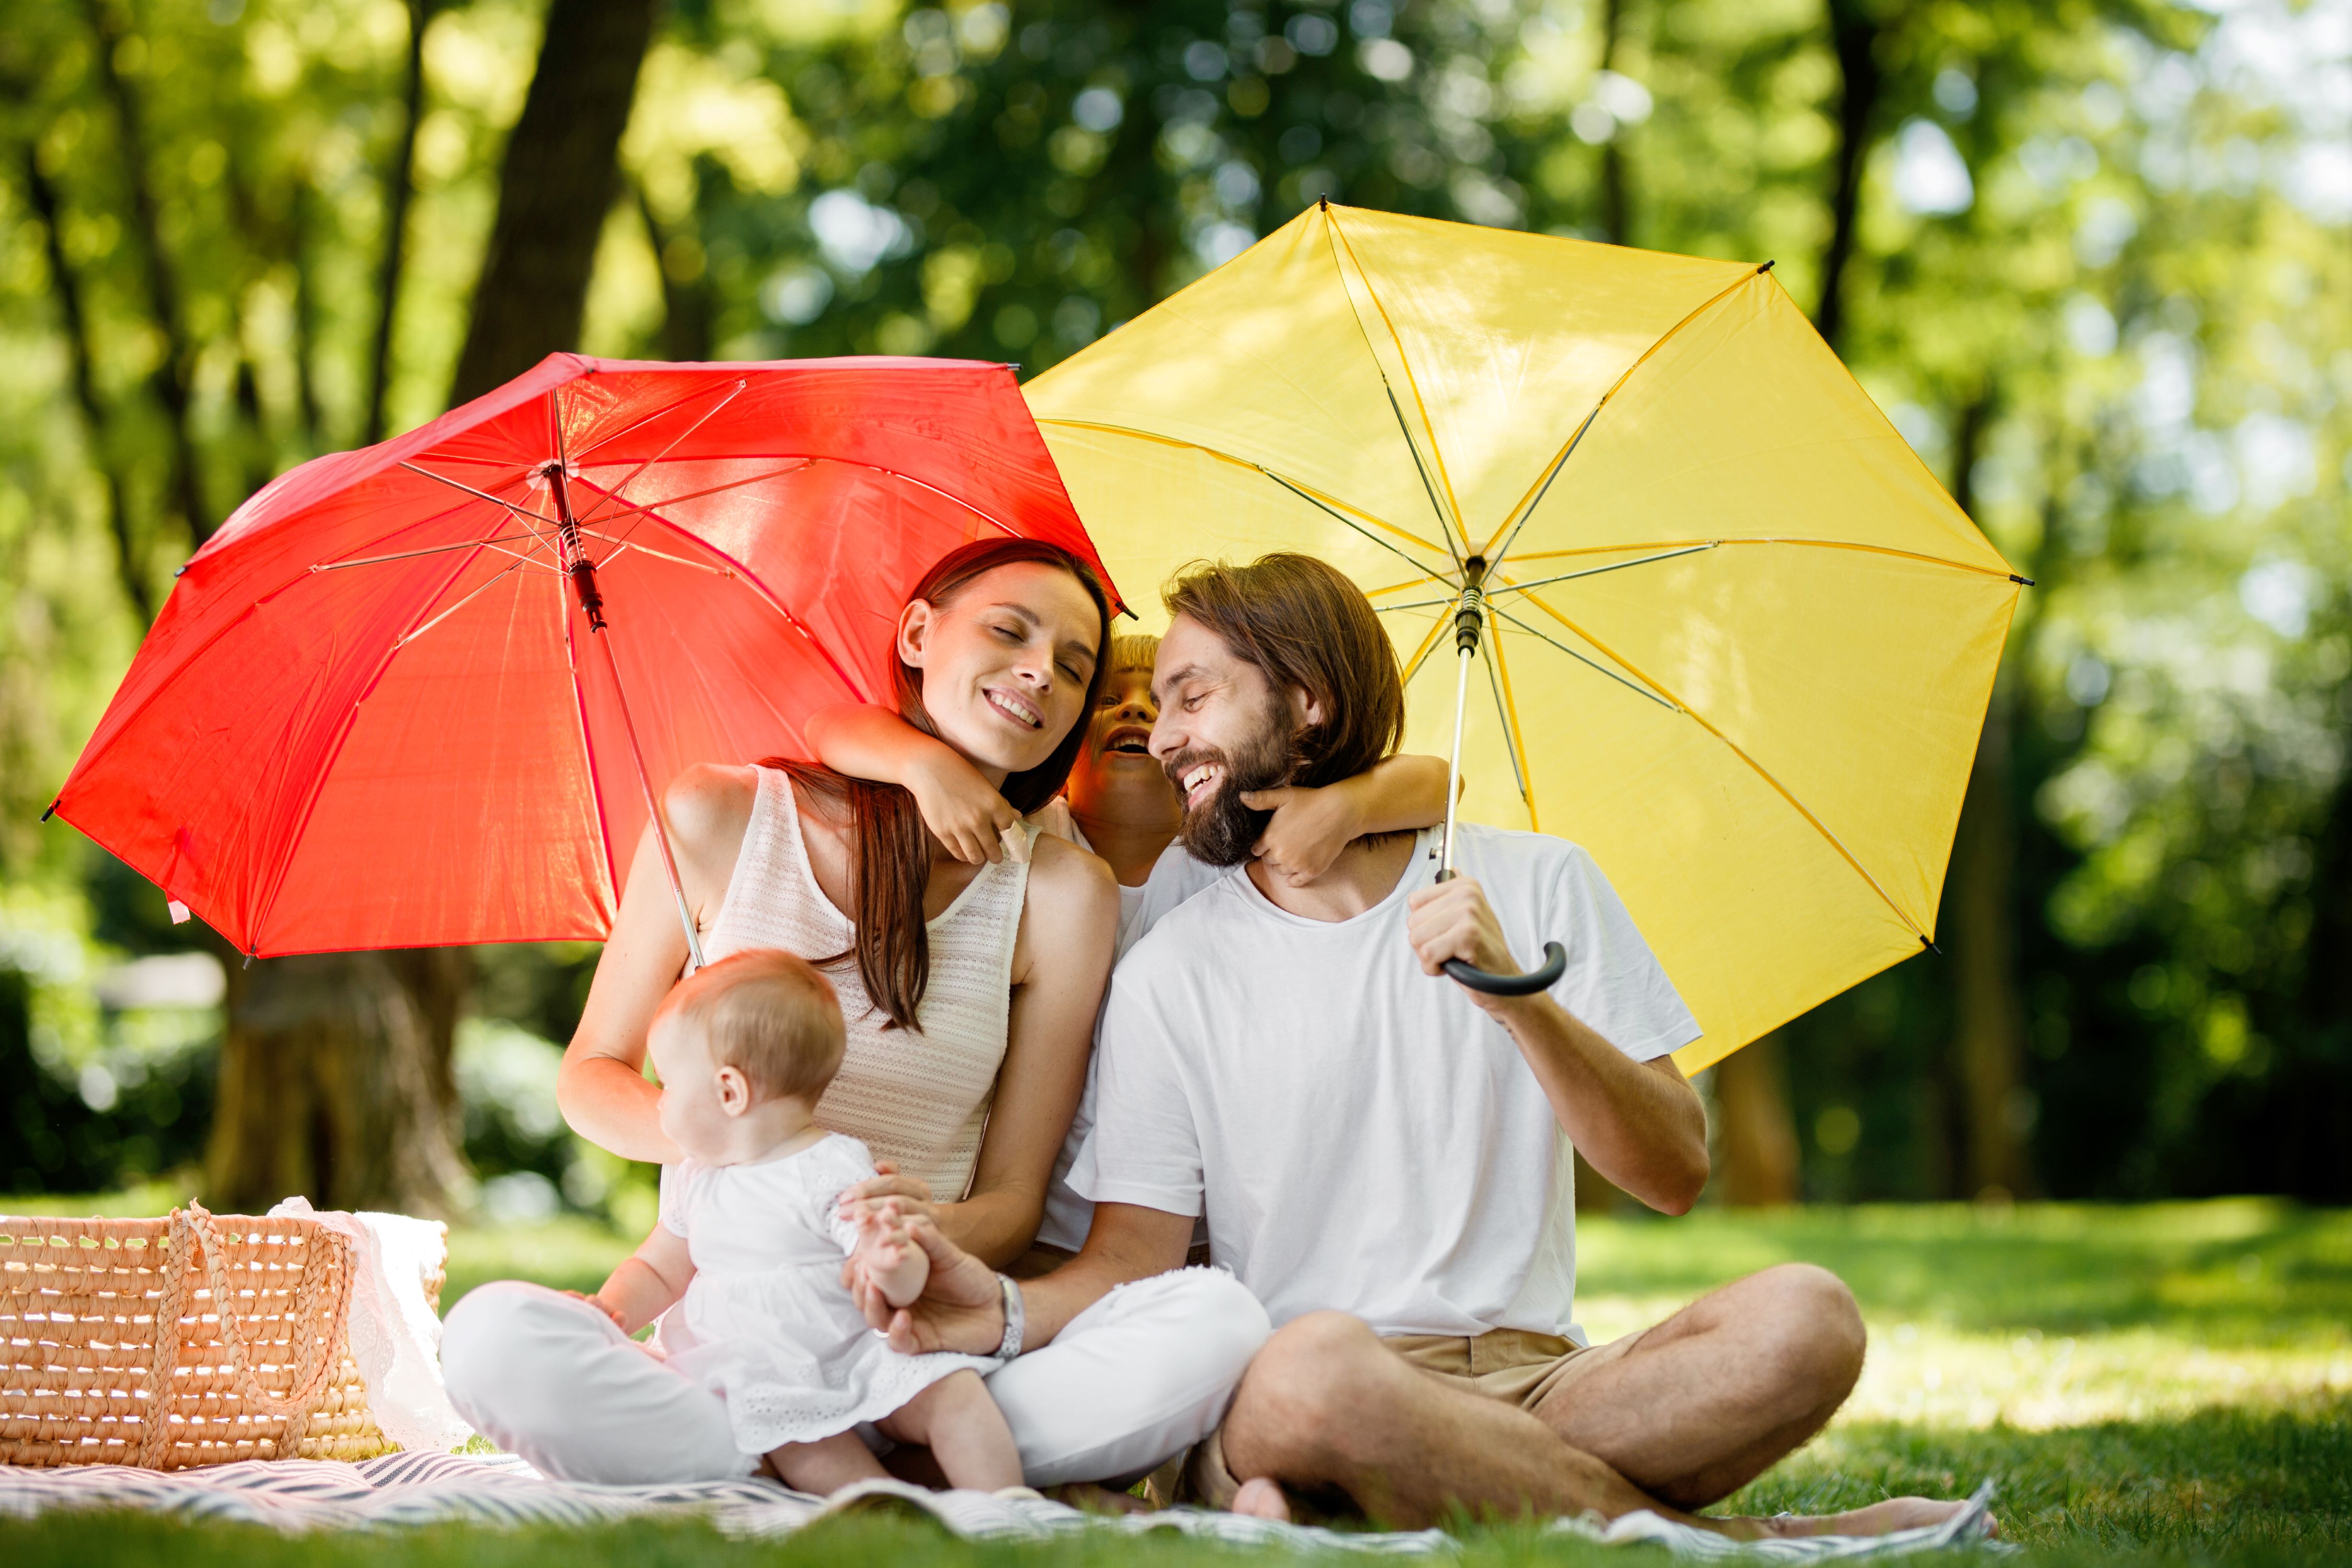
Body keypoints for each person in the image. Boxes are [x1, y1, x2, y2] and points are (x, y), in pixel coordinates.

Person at [849, 554, 1982, 1538]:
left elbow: (1676, 1169)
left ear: (1306, 703)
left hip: (1545, 1381)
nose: (1166, 731)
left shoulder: (1543, 881)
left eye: (1193, 695)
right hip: (1300, 1393)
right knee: (1313, 1372)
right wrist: (991, 1310)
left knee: (1807, 1319)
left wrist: (1521, 1003)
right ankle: (1743, 1542)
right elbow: (1132, 1261)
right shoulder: (1171, 958)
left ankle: (1431, 1492)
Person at [441, 538, 1267, 1489]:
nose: (1043, 671)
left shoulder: (1059, 894)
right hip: (734, 1371)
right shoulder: (720, 816)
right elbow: (591, 1078)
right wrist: (733, 1156)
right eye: (1010, 631)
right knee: (492, 1336)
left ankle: (875, 1468)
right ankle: (777, 1463)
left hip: (915, 1348)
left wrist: (902, 1242)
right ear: (919, 632)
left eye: (1076, 669)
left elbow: (1011, 1201)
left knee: (1214, 1321)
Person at [807, 629, 1452, 1264]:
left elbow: (1439, 782)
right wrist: (925, 767)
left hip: (1190, 1233)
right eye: (1109, 697)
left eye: (1175, 701)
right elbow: (832, 726)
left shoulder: (1241, 852)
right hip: (1026, 1226)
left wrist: (1351, 806)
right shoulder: (1016, 839)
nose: (1140, 709)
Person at [524, 949, 1019, 1493]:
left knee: (954, 1391)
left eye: (668, 1086)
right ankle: (876, 1504)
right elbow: (659, 1269)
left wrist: (892, 1261)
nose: (660, 1104)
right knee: (796, 1437)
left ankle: (1005, 1508)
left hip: (854, 1356)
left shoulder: (832, 1165)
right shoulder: (698, 1178)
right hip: (765, 1377)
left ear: (729, 1092)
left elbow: (891, 1274)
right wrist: (611, 1310)